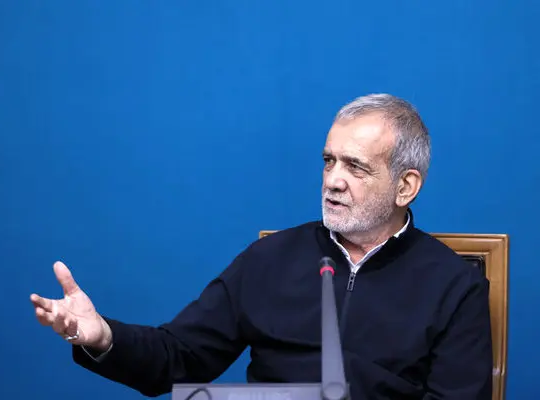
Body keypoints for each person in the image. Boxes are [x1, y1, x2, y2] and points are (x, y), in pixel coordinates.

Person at [30, 93, 493, 399]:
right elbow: (178, 357)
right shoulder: (270, 259)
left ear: (405, 186)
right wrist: (102, 336)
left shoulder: (456, 285)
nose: (333, 180)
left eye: (355, 167)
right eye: (328, 161)